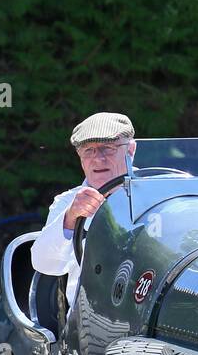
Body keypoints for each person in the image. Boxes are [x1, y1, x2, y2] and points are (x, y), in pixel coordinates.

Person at [30, 112, 136, 306]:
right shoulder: (67, 202)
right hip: (90, 318)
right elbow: (44, 263)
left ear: (130, 150)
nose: (98, 159)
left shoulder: (159, 194)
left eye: (107, 148)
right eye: (88, 150)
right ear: (80, 157)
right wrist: (70, 217)